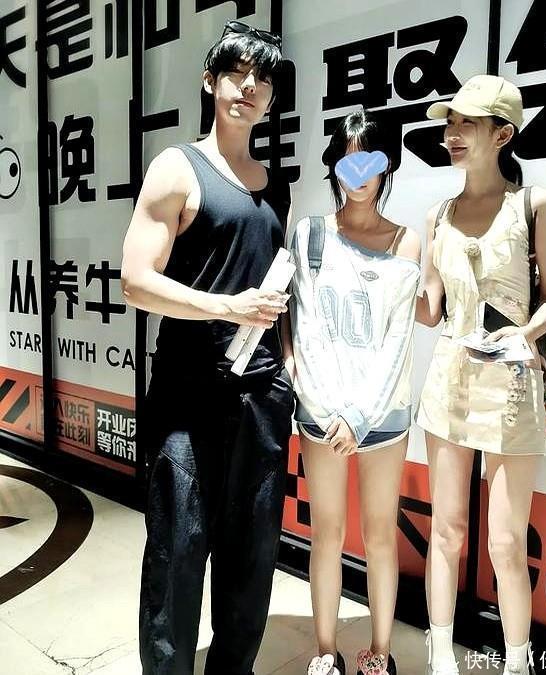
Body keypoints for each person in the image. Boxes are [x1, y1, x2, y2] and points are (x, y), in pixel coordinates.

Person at [120, 21, 293, 675]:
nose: (249, 87)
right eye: (236, 74)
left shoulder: (273, 183)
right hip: (189, 393)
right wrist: (226, 306)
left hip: (262, 395)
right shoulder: (177, 167)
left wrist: (289, 370)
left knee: (252, 556)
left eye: (262, 79)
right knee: (178, 549)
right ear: (209, 82)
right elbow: (136, 280)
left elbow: (276, 285)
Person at [415, 75, 546, 675]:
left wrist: (523, 334)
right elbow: (431, 309)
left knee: (505, 542)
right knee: (446, 531)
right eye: (450, 124)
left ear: (502, 135)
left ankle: (517, 661)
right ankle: (440, 653)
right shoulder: (436, 215)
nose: (452, 135)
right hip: (449, 379)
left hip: (512, 385)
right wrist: (390, 282)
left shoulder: (535, 204)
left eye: (466, 125)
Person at [287, 109, 421, 675]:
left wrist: (360, 415)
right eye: (347, 161)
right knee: (327, 533)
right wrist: (330, 411)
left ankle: (380, 654)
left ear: (386, 165)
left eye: (369, 160)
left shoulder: (406, 242)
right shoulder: (310, 234)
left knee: (380, 536)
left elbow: (397, 341)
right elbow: (304, 331)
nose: (358, 174)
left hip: (383, 415)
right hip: (321, 413)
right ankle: (326, 652)